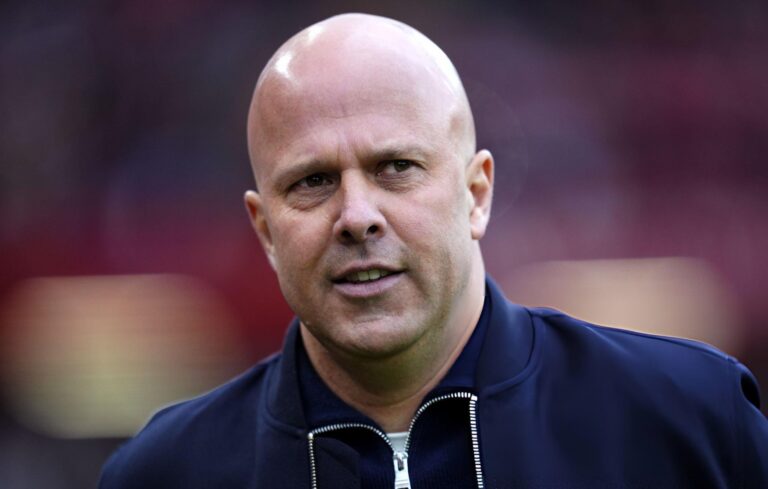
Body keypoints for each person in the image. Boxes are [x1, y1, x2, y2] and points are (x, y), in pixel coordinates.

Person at [99, 13, 768, 488]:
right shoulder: (164, 474)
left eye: (396, 167)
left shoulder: (695, 424)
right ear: (267, 232)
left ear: (476, 195)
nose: (356, 217)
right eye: (313, 181)